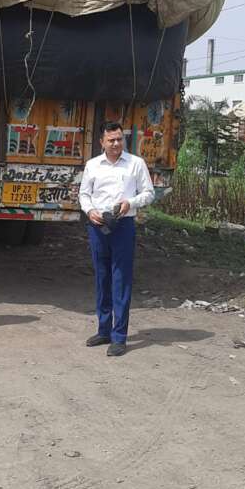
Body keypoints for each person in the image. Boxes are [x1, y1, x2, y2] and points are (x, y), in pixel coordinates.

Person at [79, 121, 155, 356]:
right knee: (102, 278)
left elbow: (149, 193)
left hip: (123, 226)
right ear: (102, 142)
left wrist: (129, 203)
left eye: (119, 139)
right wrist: (90, 211)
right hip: (98, 226)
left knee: (121, 280)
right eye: (111, 140)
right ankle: (104, 330)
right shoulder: (93, 165)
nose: (115, 143)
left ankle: (119, 337)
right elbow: (84, 194)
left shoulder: (135, 164)